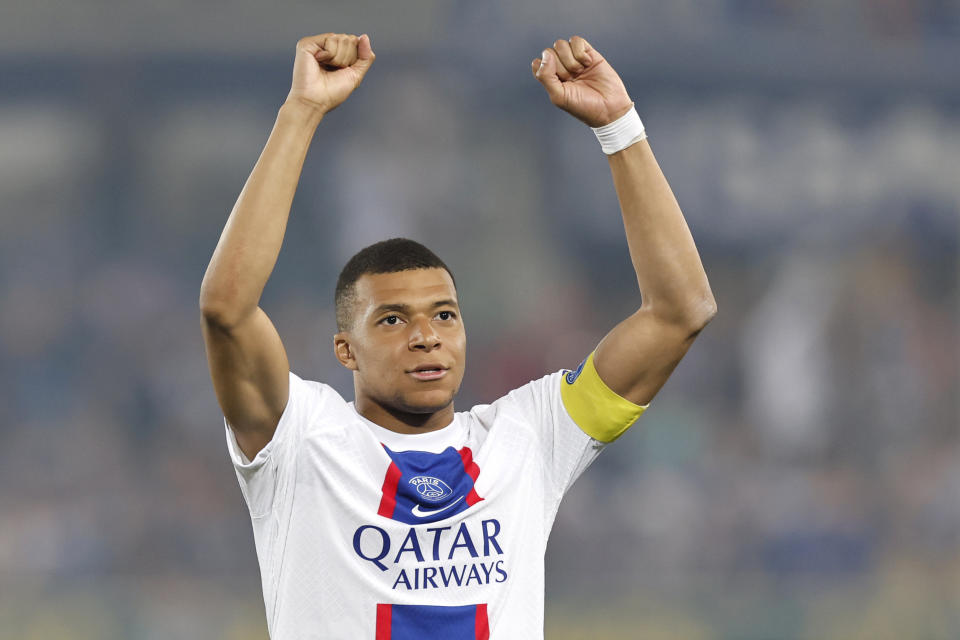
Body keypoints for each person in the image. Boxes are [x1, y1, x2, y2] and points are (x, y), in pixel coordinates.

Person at [200, 31, 716, 639]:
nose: (426, 336)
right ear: (345, 349)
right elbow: (228, 309)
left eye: (444, 315)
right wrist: (302, 112)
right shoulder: (301, 440)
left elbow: (679, 312)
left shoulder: (528, 439)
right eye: (392, 320)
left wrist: (620, 129)